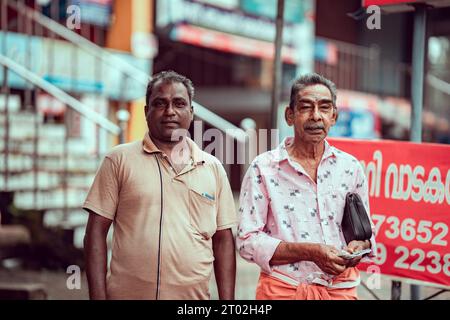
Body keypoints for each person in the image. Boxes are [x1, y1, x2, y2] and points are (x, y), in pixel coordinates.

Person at [83, 70, 236, 300]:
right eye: (160, 103)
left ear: (191, 112)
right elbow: (95, 231)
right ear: (146, 111)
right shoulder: (118, 160)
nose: (170, 111)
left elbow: (223, 240)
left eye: (179, 103)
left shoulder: (212, 167)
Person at [236, 73, 376, 300]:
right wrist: (311, 252)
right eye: (306, 107)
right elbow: (246, 241)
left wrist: (358, 247)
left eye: (324, 107)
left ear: (334, 116)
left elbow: (367, 231)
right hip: (284, 292)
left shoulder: (351, 167)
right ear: (290, 115)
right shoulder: (264, 168)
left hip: (340, 292)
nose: (316, 116)